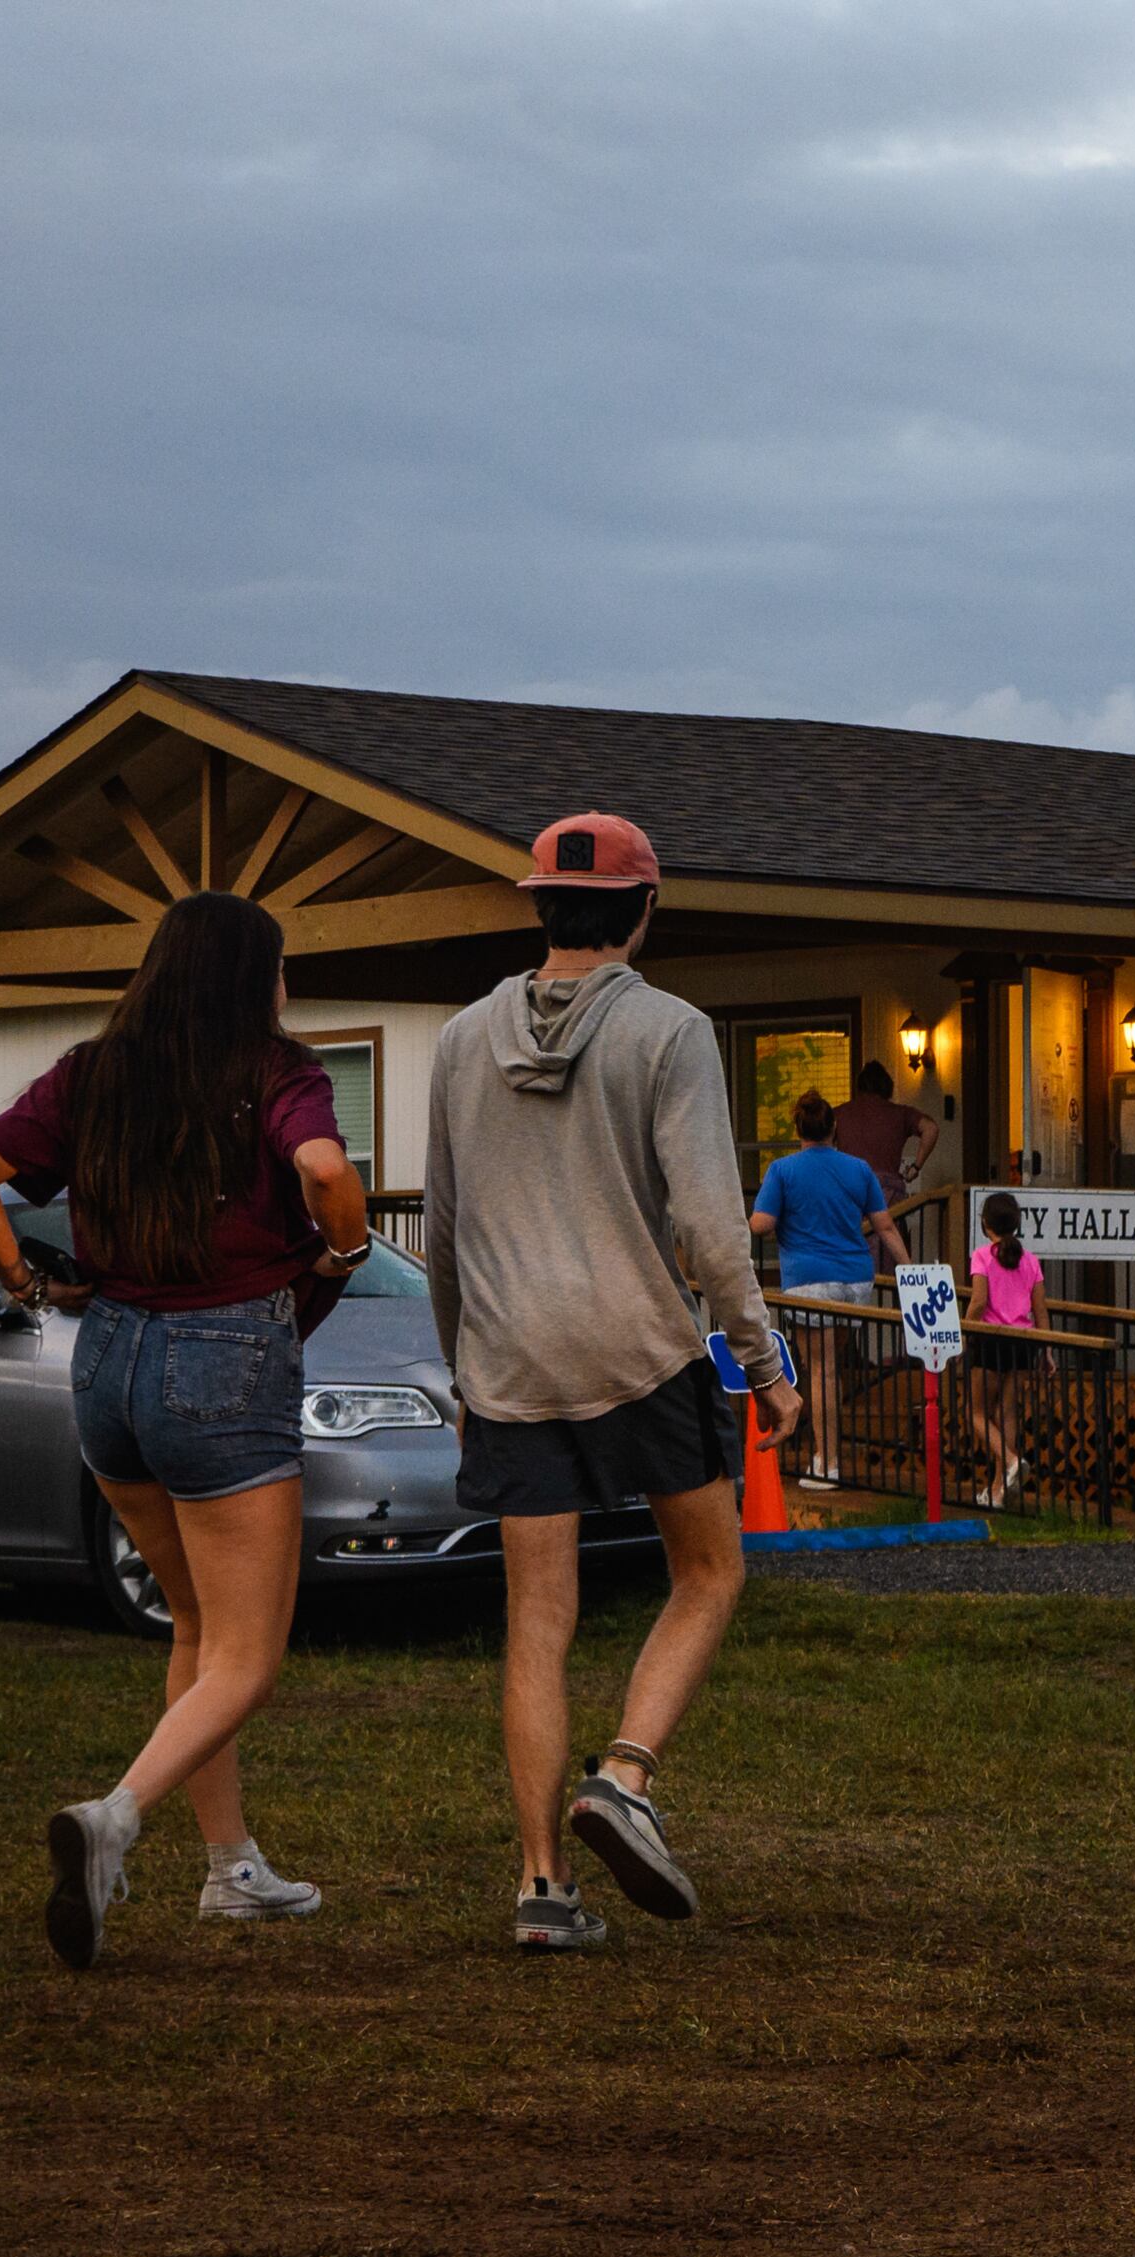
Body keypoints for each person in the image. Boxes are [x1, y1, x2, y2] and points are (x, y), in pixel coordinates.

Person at [0, 893, 374, 1968]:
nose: (288, 987)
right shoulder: (277, 1070)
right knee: (250, 1653)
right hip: (222, 1358)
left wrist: (26, 1281)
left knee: (191, 1621)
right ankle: (114, 1818)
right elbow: (322, 1172)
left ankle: (231, 1869)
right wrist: (348, 1251)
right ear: (247, 976)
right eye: (277, 966)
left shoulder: (95, 1069)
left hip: (108, 1362)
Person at [425, 810, 800, 1957]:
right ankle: (625, 1776)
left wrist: (467, 1358)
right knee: (708, 1569)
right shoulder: (672, 1031)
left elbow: (442, 1228)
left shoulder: (457, 1039)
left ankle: (541, 1885)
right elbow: (708, 1225)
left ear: (541, 906)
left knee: (537, 1618)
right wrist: (764, 1360)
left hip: (511, 1358)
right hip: (638, 1346)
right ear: (645, 909)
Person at [749, 1089, 906, 1487]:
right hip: (855, 1281)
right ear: (834, 1128)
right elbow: (885, 1226)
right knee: (829, 1371)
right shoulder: (858, 1169)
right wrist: (910, 1273)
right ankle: (826, 1453)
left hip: (809, 1281)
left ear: (797, 1128)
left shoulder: (782, 1171)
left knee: (818, 1372)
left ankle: (826, 1463)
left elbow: (761, 1225)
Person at [961, 1188, 1048, 1507]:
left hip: (990, 1339)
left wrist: (964, 1332)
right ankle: (998, 1491)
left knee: (976, 1412)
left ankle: (1011, 1461)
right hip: (1024, 1343)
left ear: (985, 1224)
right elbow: (1040, 1310)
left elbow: (979, 1301)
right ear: (1016, 1223)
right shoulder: (1031, 1261)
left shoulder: (983, 1256)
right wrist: (1048, 1349)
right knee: (1008, 1413)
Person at [828, 1058, 937, 1190]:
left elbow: (821, 1143)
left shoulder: (839, 1114)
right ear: (887, 1086)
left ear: (860, 1086)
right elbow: (931, 1128)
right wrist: (915, 1167)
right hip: (887, 1193)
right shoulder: (901, 1114)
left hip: (849, 1191)